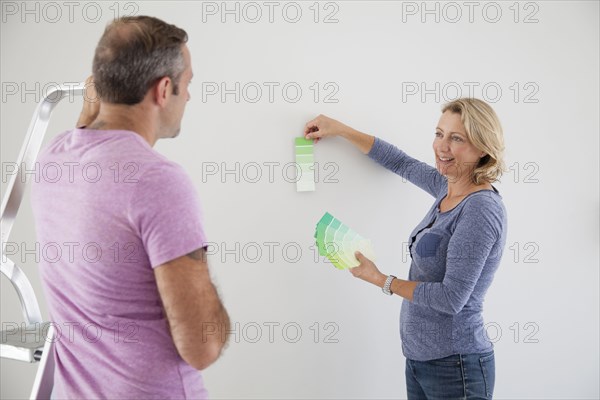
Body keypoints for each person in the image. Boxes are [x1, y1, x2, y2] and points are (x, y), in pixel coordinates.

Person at [30, 16, 230, 399]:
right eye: (187, 84)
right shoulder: (159, 182)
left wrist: (94, 111)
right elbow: (202, 346)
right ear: (164, 88)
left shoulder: (53, 160)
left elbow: (90, 150)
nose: (188, 96)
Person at [304, 98, 507, 399]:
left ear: (482, 148)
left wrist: (381, 279)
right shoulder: (447, 188)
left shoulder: (480, 209)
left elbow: (451, 298)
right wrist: (340, 129)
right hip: (420, 360)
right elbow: (401, 162)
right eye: (439, 134)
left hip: (456, 366)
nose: (442, 147)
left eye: (456, 139)